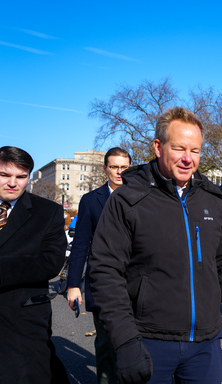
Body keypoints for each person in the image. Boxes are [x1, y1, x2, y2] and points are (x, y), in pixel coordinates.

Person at [88, 107, 222, 384]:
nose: (188, 158)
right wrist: (125, 341)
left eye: (195, 150)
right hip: (148, 340)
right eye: (179, 148)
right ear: (158, 147)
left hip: (205, 344)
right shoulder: (128, 199)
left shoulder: (213, 201)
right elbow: (105, 272)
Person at [0, 146, 69, 383]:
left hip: (23, 319)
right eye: (5, 175)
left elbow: (51, 262)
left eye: (21, 177)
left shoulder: (48, 212)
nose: (12, 183)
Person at [66, 147, 131, 384]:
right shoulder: (90, 200)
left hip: (138, 284)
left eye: (124, 167)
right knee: (105, 343)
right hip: (102, 284)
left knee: (136, 345)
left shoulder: (143, 197)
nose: (119, 172)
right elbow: (81, 245)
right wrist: (73, 285)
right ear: (105, 168)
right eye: (114, 166)